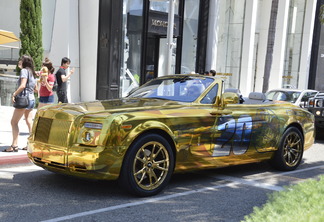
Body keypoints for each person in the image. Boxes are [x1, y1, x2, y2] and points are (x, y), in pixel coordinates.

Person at [3, 55, 37, 152]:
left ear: (25, 62)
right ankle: (30, 145)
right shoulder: (32, 73)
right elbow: (36, 89)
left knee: (14, 122)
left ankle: (14, 145)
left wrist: (14, 94)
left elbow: (22, 85)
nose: (19, 61)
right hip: (31, 99)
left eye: (21, 60)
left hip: (23, 100)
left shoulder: (24, 71)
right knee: (29, 121)